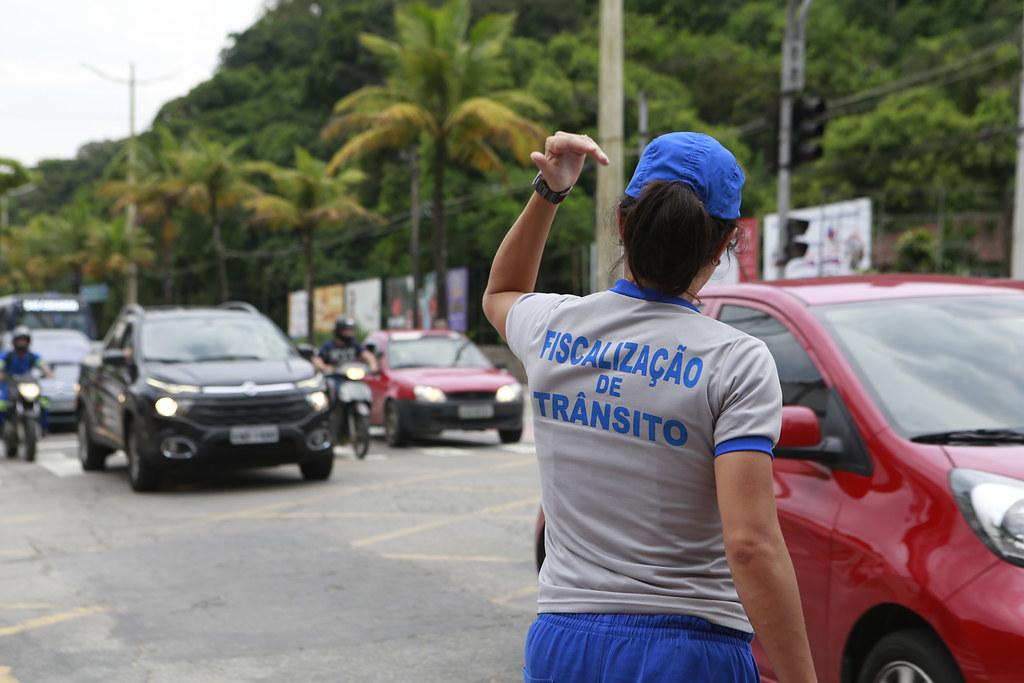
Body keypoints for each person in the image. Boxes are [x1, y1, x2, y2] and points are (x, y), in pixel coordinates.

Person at [483, 131, 816, 682]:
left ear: (622, 223)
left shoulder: (552, 328)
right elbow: (751, 545)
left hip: (563, 643)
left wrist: (550, 191)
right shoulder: (736, 361)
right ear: (724, 244)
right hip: (692, 649)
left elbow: (501, 292)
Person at [0, 326, 53, 432]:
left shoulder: (32, 356)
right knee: (2, 404)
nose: (22, 343)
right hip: (10, 385)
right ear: (15, 341)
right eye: (20, 340)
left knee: (44, 401)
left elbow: (42, 365)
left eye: (24, 340)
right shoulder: (8, 355)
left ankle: (44, 427)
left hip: (27, 384)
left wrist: (48, 373)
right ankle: (2, 427)